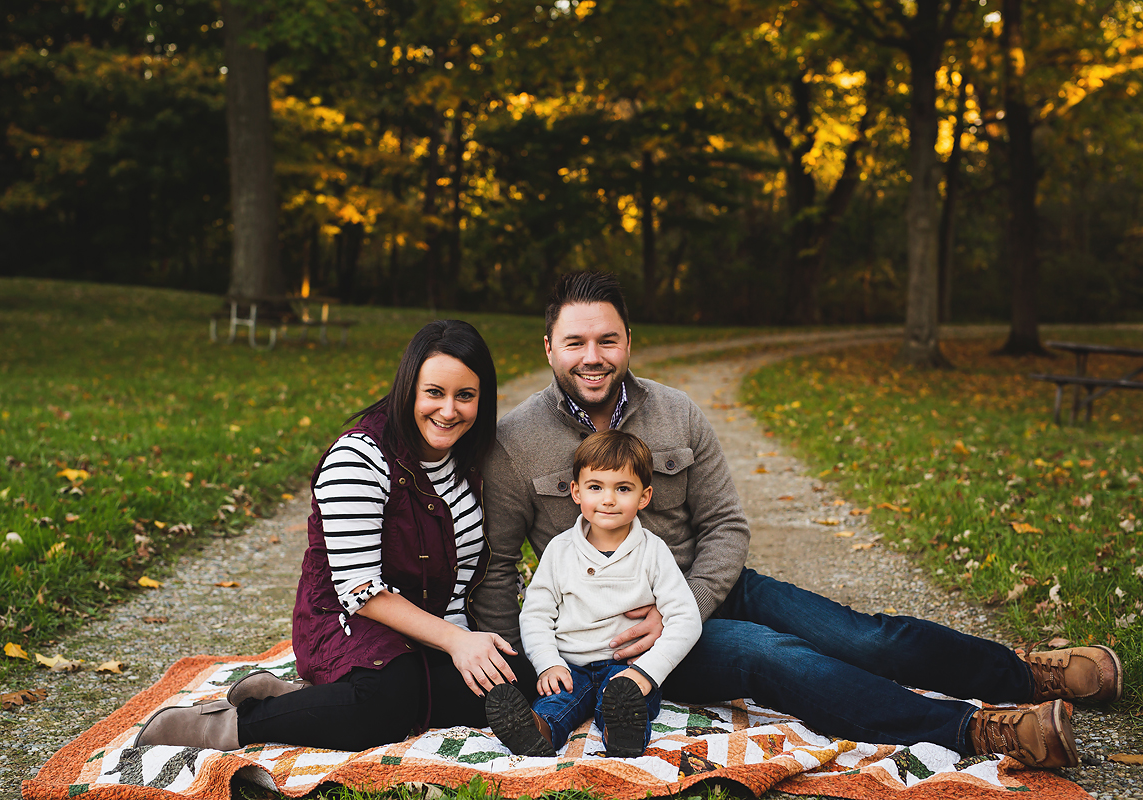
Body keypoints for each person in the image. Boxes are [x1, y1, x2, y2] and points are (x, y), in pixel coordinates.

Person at [472, 271, 1123, 770]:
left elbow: (727, 526)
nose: (593, 356)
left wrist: (688, 605)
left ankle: (1025, 674)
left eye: (607, 339)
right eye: (576, 342)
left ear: (628, 343)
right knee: (773, 655)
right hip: (624, 634)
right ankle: (974, 728)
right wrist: (528, 670)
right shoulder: (516, 441)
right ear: (550, 347)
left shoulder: (677, 412)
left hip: (713, 586)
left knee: (865, 638)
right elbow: (500, 568)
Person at [137, 320, 536, 752]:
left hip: (434, 630)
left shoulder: (471, 458)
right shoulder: (358, 457)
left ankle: (311, 704)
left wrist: (469, 638)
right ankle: (224, 725)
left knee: (519, 684)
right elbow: (359, 590)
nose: (448, 410)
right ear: (408, 388)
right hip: (351, 621)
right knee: (383, 708)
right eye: (434, 392)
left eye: (465, 396)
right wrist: (457, 641)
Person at [484, 430, 701, 758]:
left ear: (644, 497)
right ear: (576, 491)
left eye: (623, 489)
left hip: (628, 665)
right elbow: (537, 613)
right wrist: (547, 664)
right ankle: (535, 731)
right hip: (571, 664)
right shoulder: (560, 550)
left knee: (629, 698)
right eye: (596, 487)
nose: (608, 499)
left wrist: (647, 672)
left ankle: (622, 733)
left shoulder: (653, 552)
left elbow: (686, 618)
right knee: (556, 702)